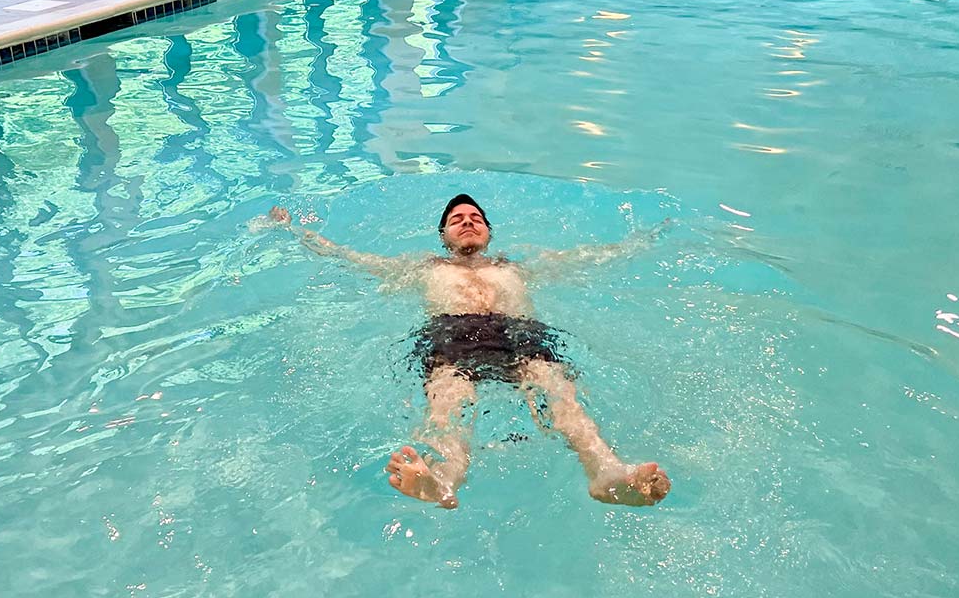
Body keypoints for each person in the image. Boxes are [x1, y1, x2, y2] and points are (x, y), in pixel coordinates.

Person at [255, 193, 671, 510]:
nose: (468, 222)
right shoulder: (425, 268)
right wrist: (293, 232)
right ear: (444, 236)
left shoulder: (515, 267)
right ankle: (444, 477)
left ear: (488, 232)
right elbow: (348, 258)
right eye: (457, 220)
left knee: (558, 391)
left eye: (476, 219)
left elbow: (591, 259)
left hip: (520, 333)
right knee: (450, 401)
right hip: (452, 332)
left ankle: (604, 470)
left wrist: (646, 238)